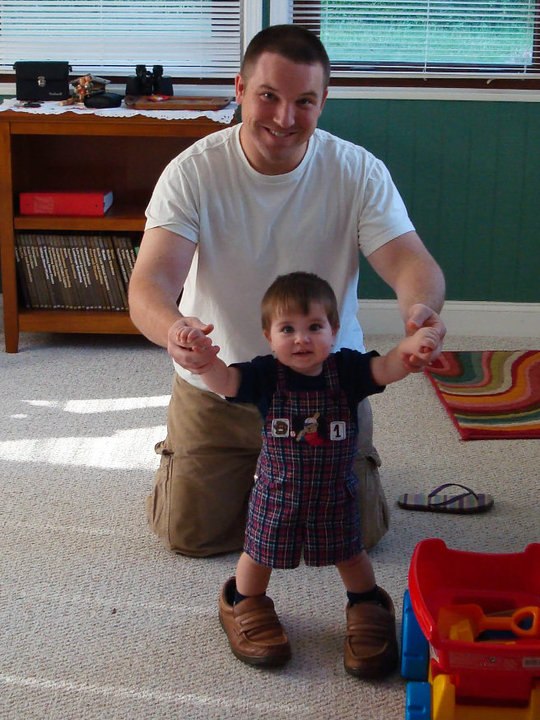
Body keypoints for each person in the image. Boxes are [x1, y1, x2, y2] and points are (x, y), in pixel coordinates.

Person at [128, 24, 446, 558]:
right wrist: (175, 329)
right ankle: (207, 467)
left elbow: (411, 260)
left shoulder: (358, 171)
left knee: (357, 537)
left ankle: (294, 477)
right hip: (222, 383)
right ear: (240, 89)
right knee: (193, 536)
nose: (284, 118)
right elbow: (150, 283)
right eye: (269, 97)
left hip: (328, 386)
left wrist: (421, 310)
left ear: (323, 101)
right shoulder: (192, 172)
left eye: (303, 102)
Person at [177, 272, 442, 676]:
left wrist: (410, 350)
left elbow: (387, 367)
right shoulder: (265, 375)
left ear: (333, 331)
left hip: (334, 494)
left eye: (314, 327)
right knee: (258, 555)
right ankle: (244, 602)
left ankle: (366, 602)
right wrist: (205, 363)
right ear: (268, 336)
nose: (301, 339)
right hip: (276, 494)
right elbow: (226, 382)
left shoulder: (348, 370)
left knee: (352, 555)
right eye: (287, 329)